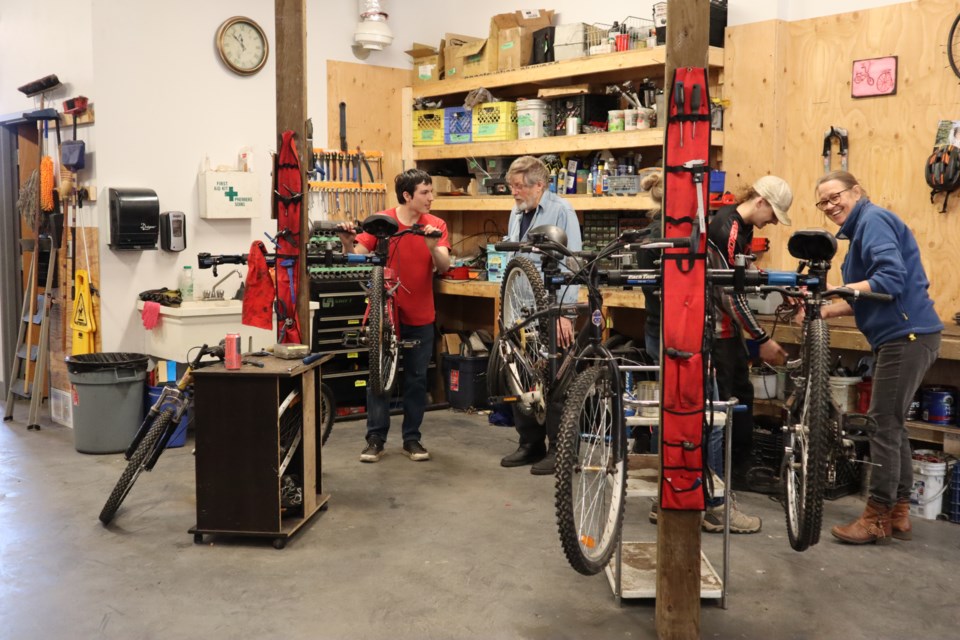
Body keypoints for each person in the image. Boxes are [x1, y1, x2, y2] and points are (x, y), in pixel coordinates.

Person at [813, 171, 942, 545]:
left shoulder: (873, 220)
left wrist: (836, 289)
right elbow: (870, 297)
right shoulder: (860, 233)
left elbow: (890, 279)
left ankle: (877, 516)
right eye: (823, 202)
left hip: (907, 336)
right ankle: (899, 511)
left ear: (857, 191)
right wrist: (826, 308)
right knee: (893, 423)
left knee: (881, 423)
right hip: (907, 335)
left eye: (836, 196)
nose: (830, 205)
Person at [642, 170, 764, 534]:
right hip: (683, 336)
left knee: (678, 419)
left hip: (662, 332)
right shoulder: (687, 238)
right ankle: (713, 505)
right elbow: (712, 293)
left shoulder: (660, 234)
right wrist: (756, 334)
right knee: (706, 418)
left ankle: (665, 499)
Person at [337, 169, 451, 463]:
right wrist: (347, 242)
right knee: (378, 376)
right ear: (407, 195)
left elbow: (445, 266)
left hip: (420, 313)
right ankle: (375, 438)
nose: (431, 198)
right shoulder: (381, 223)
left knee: (416, 379)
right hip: (384, 315)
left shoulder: (436, 225)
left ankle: (411, 439)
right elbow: (358, 258)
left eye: (431, 192)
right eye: (425, 193)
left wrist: (431, 246)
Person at [707, 175, 792, 498]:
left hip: (730, 331)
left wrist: (781, 288)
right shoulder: (726, 228)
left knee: (741, 395)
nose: (771, 222)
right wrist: (761, 339)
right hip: (716, 331)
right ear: (760, 202)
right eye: (772, 214)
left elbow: (742, 277)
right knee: (724, 404)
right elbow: (728, 292)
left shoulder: (743, 228)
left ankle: (738, 471)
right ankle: (718, 480)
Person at [498, 156, 583, 475]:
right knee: (520, 378)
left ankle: (562, 450)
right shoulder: (516, 211)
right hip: (518, 311)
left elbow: (572, 265)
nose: (515, 193)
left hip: (551, 308)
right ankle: (530, 443)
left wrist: (565, 314)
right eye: (511, 186)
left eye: (519, 186)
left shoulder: (562, 211)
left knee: (556, 380)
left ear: (540, 185)